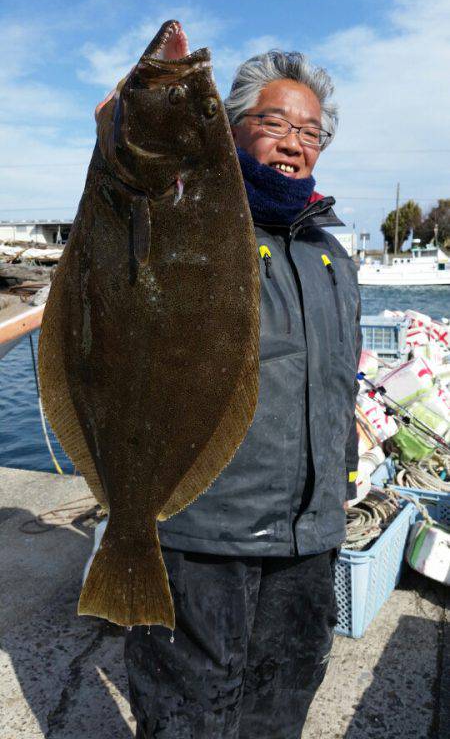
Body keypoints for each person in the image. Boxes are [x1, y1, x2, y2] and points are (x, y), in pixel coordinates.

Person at [124, 49, 362, 739]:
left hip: (309, 537)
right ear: (230, 130)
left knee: (280, 702)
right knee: (185, 712)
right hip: (205, 531)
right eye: (274, 123)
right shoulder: (185, 220)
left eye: (311, 131)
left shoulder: (332, 255)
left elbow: (339, 380)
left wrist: (339, 488)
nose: (294, 142)